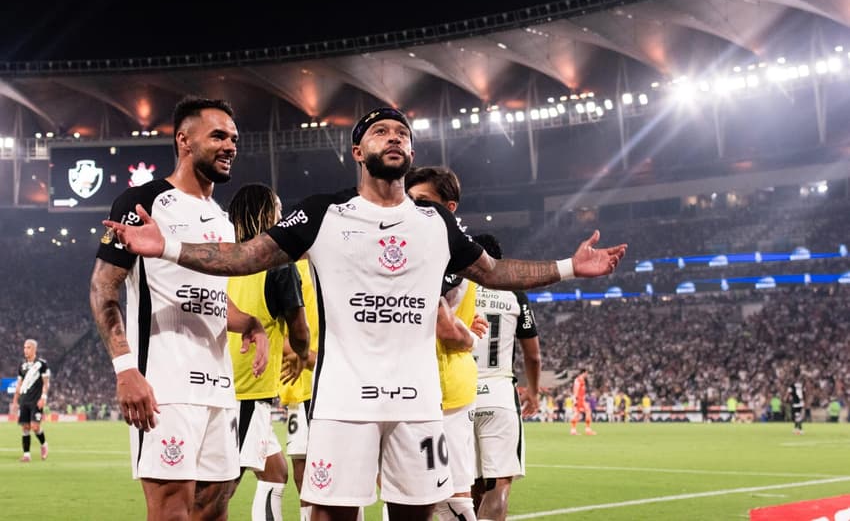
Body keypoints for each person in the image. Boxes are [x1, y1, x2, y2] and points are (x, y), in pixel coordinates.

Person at [101, 105, 627, 521]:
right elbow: (245, 257)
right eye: (381, 132)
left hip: (420, 405)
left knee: (420, 515)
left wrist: (568, 267)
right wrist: (167, 247)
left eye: (402, 133)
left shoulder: (434, 222)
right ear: (358, 150)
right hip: (340, 405)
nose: (394, 138)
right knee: (330, 515)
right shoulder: (323, 212)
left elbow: (493, 272)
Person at [89, 96, 270, 521]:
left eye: (234, 139)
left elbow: (209, 298)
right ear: (184, 140)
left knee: (215, 507)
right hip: (165, 386)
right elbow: (103, 289)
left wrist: (250, 323)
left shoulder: (222, 220)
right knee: (171, 511)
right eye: (219, 136)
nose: (230, 146)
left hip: (220, 387)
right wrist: (126, 370)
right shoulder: (143, 203)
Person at [226, 183, 311, 521]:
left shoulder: (224, 256)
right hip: (247, 387)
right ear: (267, 213)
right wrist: (302, 352)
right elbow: (300, 328)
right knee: (220, 488)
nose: (282, 214)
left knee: (275, 473)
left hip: (228, 380)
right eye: (277, 208)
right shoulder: (278, 264)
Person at [406, 166, 485, 521]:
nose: (412, 208)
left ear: (449, 207)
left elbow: (446, 327)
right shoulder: (466, 251)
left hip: (439, 388)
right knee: (430, 495)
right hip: (443, 385)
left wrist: (467, 336)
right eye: (409, 200)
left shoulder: (445, 255)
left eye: (423, 201)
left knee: (447, 497)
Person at [468, 233, 541, 521]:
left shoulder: (457, 288)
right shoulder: (514, 294)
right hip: (499, 395)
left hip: (461, 395)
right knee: (498, 485)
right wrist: (533, 392)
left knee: (469, 484)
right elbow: (533, 355)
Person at [279, 256, 321, 521]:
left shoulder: (327, 270)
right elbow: (271, 330)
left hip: (328, 384)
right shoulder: (288, 272)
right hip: (299, 386)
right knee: (303, 466)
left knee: (338, 469)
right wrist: (307, 355)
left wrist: (312, 357)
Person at [11, 339, 50, 462]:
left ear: (34, 349)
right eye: (24, 347)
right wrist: (15, 401)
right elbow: (19, 384)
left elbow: (46, 383)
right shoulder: (22, 366)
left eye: (28, 347)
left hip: (36, 401)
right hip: (24, 400)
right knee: (25, 427)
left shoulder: (41, 364)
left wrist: (44, 397)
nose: (25, 350)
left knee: (35, 426)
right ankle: (26, 455)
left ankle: (44, 444)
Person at [570, 369, 595, 435]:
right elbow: (576, 390)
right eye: (586, 373)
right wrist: (575, 399)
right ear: (583, 373)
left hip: (581, 399)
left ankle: (587, 430)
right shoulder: (578, 380)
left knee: (587, 411)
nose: (587, 375)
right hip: (579, 399)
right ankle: (574, 430)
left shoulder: (581, 380)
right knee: (577, 414)